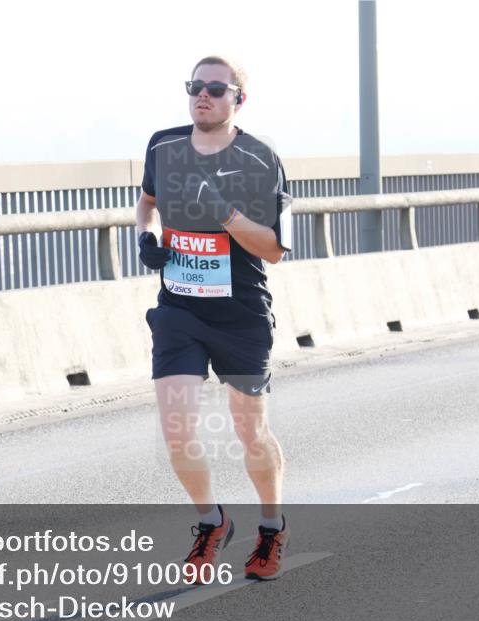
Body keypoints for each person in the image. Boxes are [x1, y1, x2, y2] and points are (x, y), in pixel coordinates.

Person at [134, 55, 293, 582]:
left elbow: (274, 249)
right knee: (176, 429)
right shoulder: (163, 145)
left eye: (216, 89)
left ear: (237, 100)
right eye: (196, 86)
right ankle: (212, 521)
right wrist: (146, 238)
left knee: (251, 432)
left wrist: (224, 212)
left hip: (241, 314)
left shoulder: (260, 157)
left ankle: (270, 527)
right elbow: (147, 201)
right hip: (179, 308)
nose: (203, 95)